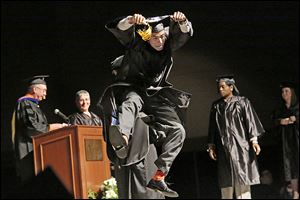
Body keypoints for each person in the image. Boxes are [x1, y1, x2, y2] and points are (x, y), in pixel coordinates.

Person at [101, 11, 193, 198]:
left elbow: (185, 32)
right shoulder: (137, 43)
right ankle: (123, 138)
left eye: (161, 37)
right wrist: (130, 20)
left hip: (155, 96)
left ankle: (159, 176)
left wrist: (183, 20)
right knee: (131, 103)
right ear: (146, 37)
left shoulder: (168, 44)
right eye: (154, 38)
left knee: (178, 131)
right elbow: (116, 27)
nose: (159, 42)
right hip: (134, 89)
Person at [207, 75, 265, 199]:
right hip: (224, 149)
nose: (220, 90)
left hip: (241, 148)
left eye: (223, 87)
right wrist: (211, 145)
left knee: (242, 182)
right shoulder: (216, 106)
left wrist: (254, 141)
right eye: (219, 87)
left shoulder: (242, 102)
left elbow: (251, 122)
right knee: (226, 184)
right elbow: (212, 127)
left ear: (231, 87)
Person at [11, 75, 69, 185]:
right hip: (28, 151)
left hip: (36, 150)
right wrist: (52, 127)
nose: (45, 95)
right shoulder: (25, 103)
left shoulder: (33, 105)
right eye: (44, 91)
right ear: (35, 89)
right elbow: (32, 128)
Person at [272, 81, 299, 199]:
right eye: (282, 92)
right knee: (291, 169)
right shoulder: (280, 109)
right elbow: (273, 121)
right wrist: (279, 122)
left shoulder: (297, 107)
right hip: (286, 144)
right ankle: (295, 192)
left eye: (287, 91)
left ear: (292, 93)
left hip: (297, 141)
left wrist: (297, 119)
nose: (284, 94)